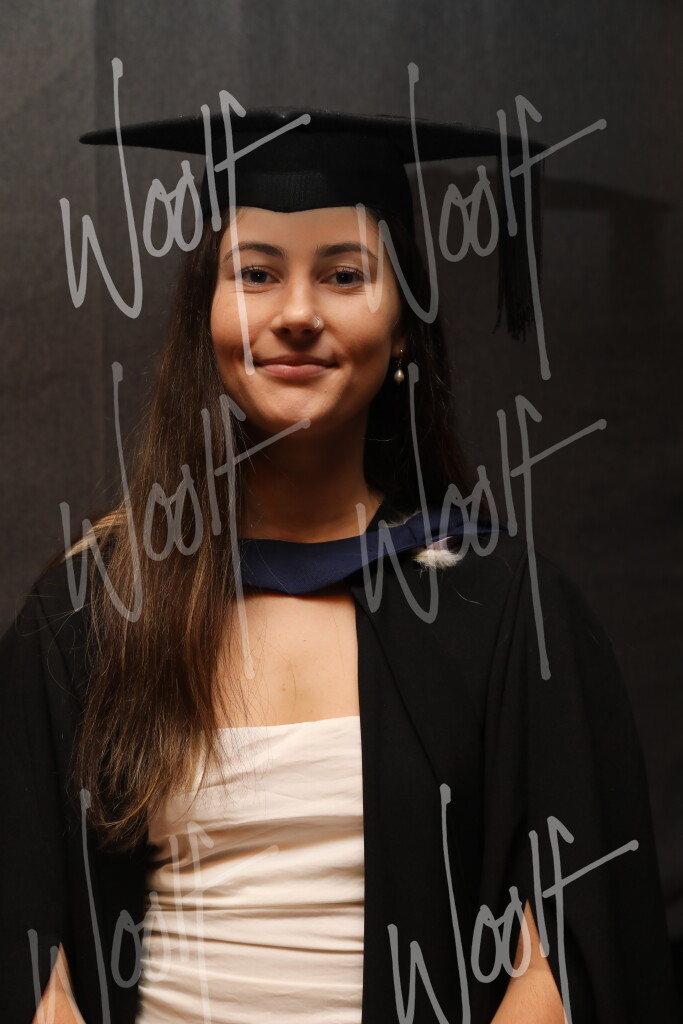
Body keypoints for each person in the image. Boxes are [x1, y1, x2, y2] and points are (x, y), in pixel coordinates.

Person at [1, 107, 679, 1024]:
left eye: (344, 274)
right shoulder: (95, 609)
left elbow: (571, 954)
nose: (295, 314)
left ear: (402, 327)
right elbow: (30, 940)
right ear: (205, 315)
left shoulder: (505, 612)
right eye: (255, 274)